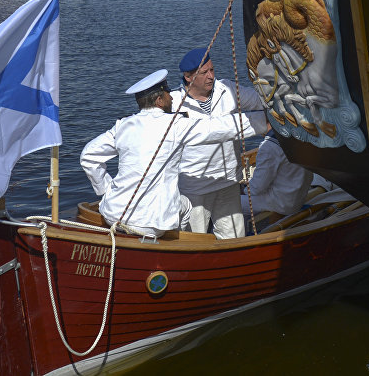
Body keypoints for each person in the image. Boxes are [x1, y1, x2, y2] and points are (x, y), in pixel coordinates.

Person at [81, 69, 268, 238]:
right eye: (167, 93)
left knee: (185, 205)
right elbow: (220, 128)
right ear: (159, 101)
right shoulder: (174, 125)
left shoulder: (122, 125)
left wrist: (107, 190)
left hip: (112, 214)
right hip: (150, 224)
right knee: (185, 208)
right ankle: (185, 243)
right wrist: (266, 121)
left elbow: (88, 156)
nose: (172, 97)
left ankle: (184, 239)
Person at [170, 48, 265, 239]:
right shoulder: (174, 103)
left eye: (212, 70)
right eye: (204, 73)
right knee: (194, 239)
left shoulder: (227, 89)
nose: (211, 76)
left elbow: (261, 102)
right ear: (188, 77)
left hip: (228, 181)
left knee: (234, 236)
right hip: (194, 187)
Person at [240, 130, 313, 218]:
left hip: (281, 204)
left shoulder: (269, 145)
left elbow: (256, 188)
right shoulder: (301, 135)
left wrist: (243, 189)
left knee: (230, 203)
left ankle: (246, 230)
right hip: (297, 198)